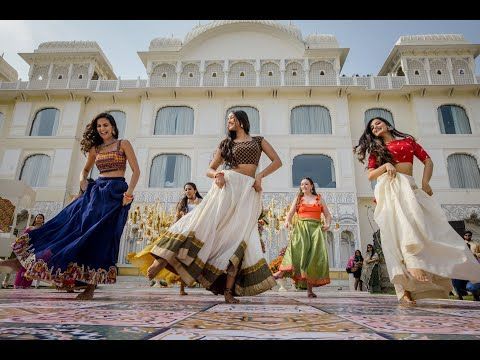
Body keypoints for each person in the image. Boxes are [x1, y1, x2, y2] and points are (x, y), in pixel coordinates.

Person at [129, 110, 281, 303]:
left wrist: (260, 176)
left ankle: (228, 291)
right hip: (227, 186)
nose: (229, 122)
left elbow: (277, 162)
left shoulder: (258, 141)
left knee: (241, 239)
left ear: (242, 121)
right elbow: (210, 169)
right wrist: (216, 175)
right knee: (202, 223)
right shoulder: (226, 144)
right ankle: (164, 258)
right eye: (227, 120)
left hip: (249, 192)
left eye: (232, 119)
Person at [0, 112, 140, 300]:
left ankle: (90, 287)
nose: (102, 129)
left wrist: (128, 194)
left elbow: (136, 171)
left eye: (105, 125)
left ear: (113, 127)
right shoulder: (95, 149)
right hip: (95, 192)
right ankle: (26, 262)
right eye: (99, 126)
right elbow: (85, 170)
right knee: (68, 226)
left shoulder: (123, 144)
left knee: (102, 237)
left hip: (115, 195)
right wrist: (83, 183)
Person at [353, 117, 480, 305]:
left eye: (378, 123)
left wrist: (425, 182)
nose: (375, 127)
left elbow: (428, 161)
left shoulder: (408, 141)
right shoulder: (377, 150)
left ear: (387, 125)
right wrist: (385, 165)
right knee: (396, 234)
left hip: (411, 188)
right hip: (391, 190)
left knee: (427, 229)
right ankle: (404, 286)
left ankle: (437, 271)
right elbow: (371, 174)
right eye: (371, 127)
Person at [272, 177, 332, 298]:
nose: (303, 186)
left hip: (315, 230)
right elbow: (290, 213)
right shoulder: (299, 198)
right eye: (301, 184)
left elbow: (327, 215)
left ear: (311, 186)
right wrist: (287, 221)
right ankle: (281, 272)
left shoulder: (319, 198)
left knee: (312, 257)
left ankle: (309, 291)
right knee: (294, 249)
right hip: (301, 228)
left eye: (306, 184)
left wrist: (328, 224)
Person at [144, 182, 203, 295]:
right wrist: (172, 230)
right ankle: (157, 264)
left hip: (195, 232)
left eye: (189, 189)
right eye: (185, 189)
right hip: (182, 231)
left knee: (184, 260)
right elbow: (176, 219)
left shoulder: (201, 202)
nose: (187, 191)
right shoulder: (182, 203)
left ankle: (182, 289)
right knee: (174, 253)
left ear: (195, 190)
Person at [13, 214, 45, 289]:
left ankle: (26, 285)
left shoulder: (44, 229)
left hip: (37, 249)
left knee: (32, 267)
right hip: (28, 249)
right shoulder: (30, 228)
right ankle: (18, 284)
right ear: (35, 219)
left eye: (41, 218)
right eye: (38, 218)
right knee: (23, 266)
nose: (39, 219)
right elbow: (23, 238)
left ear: (43, 220)